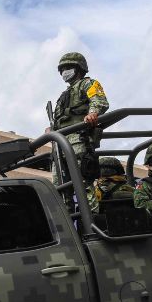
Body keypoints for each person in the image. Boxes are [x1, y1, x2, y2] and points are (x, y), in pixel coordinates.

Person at [51, 52, 110, 213]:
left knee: (83, 183)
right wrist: (51, 129)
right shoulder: (63, 96)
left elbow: (99, 101)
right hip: (59, 145)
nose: (65, 72)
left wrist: (93, 113)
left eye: (68, 67)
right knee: (60, 189)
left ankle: (92, 220)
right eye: (62, 69)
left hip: (79, 140)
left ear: (79, 69)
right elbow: (59, 119)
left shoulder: (87, 84)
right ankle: (67, 222)